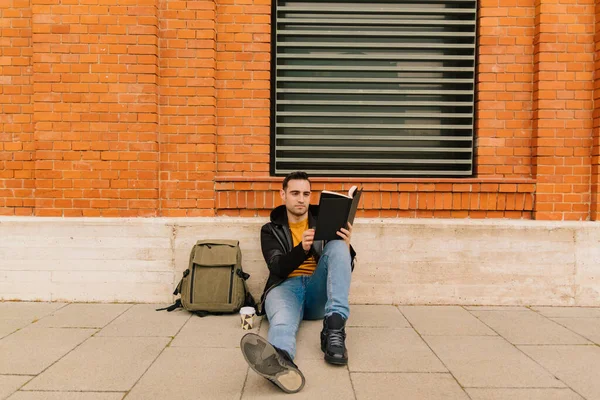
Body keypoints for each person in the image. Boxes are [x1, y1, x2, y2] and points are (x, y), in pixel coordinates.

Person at [239, 171, 356, 394]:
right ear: (283, 195)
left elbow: (342, 272)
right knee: (282, 322)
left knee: (340, 246)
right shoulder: (270, 229)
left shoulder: (326, 223)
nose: (301, 199)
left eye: (306, 193)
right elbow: (277, 267)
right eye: (294, 193)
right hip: (284, 288)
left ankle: (334, 330)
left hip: (316, 290)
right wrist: (301, 249)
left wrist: (347, 246)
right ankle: (281, 362)